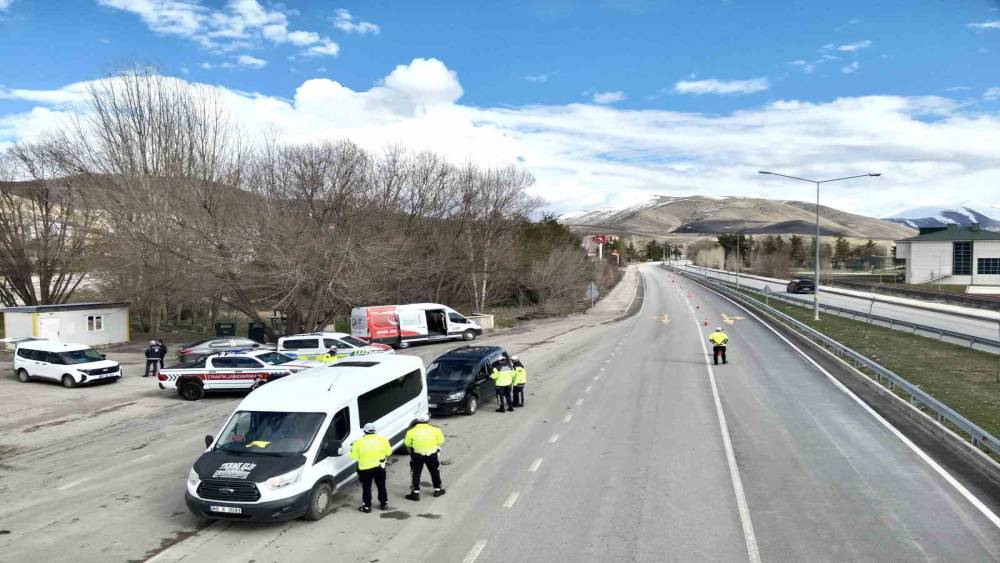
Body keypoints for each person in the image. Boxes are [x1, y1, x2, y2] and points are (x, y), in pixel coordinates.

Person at [350, 423, 392, 513]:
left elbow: (353, 457)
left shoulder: (358, 443)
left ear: (364, 431)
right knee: (381, 485)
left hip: (365, 469)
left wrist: (352, 447)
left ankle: (367, 507)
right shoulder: (383, 440)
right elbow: (388, 452)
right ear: (375, 431)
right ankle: (384, 503)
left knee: (366, 487)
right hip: (379, 467)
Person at [403, 415, 446, 501]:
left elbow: (407, 443)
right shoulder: (435, 430)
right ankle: (437, 490)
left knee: (416, 473)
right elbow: (441, 441)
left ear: (417, 421)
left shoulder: (411, 431)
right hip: (432, 455)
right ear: (428, 420)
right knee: (434, 472)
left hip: (417, 455)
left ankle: (415, 493)